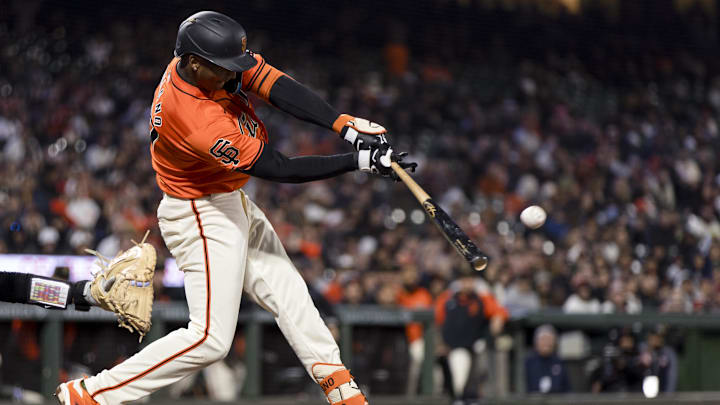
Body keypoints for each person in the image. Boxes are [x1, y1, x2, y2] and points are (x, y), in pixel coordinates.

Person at [56, 10, 415, 405]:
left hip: (226, 199)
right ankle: (91, 394)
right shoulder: (194, 118)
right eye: (224, 68)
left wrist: (344, 125)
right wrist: (357, 161)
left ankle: (341, 390)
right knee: (210, 338)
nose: (234, 73)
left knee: (288, 290)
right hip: (199, 213)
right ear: (193, 63)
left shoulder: (199, 62)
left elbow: (274, 84)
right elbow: (279, 168)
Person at [435, 267, 508, 404]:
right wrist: (439, 343)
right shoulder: (447, 299)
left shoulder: (480, 299)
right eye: (464, 280)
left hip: (473, 346)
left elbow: (500, 310)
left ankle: (466, 398)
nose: (467, 283)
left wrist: (498, 317)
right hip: (450, 348)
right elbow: (436, 322)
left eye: (470, 280)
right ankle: (456, 398)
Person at [525, 324, 570, 394]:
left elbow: (567, 389)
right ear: (536, 342)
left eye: (549, 339)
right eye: (543, 339)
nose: (546, 343)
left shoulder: (559, 362)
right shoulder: (528, 362)